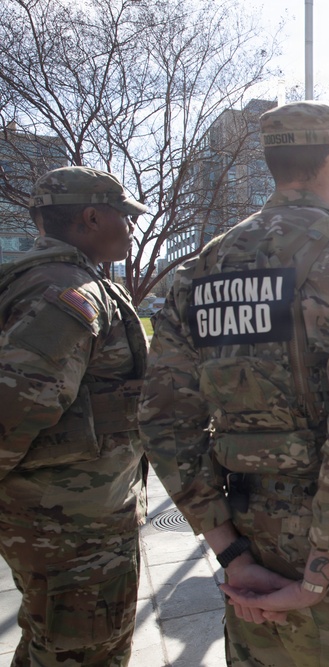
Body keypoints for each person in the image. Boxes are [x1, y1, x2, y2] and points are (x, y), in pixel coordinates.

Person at [140, 101, 329, 666]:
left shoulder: (199, 271)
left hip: (246, 538)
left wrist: (230, 552)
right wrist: (317, 576)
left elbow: (163, 419)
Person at [0, 166, 148, 666]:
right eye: (124, 216)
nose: (131, 227)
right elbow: (13, 406)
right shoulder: (68, 296)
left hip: (57, 519)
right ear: (90, 217)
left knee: (52, 643)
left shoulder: (36, 280)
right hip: (69, 529)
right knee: (84, 653)